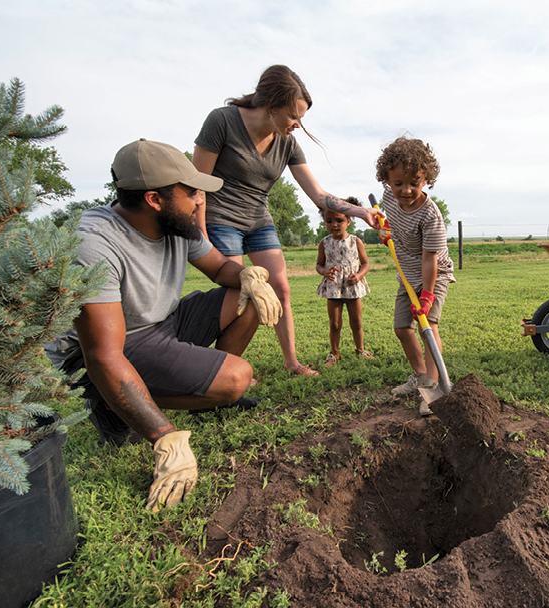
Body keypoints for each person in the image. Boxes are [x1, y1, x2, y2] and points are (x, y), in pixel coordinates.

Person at [50, 138, 282, 512]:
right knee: (237, 378)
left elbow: (221, 269)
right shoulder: (92, 245)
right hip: (107, 347)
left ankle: (207, 393)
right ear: (155, 199)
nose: (200, 200)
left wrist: (249, 275)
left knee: (252, 297)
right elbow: (102, 354)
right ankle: (109, 403)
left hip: (159, 322)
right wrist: (165, 438)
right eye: (191, 192)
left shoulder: (179, 224)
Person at [192, 64, 383, 378]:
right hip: (221, 218)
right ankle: (219, 368)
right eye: (294, 116)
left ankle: (292, 363)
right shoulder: (222, 121)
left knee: (280, 286)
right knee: (240, 290)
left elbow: (319, 195)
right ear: (271, 105)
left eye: (301, 118)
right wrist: (200, 235)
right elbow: (197, 183)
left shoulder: (287, 143)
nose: (297, 124)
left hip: (258, 220)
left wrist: (361, 212)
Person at [374, 137, 455, 415]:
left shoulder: (431, 216)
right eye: (398, 183)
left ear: (427, 179)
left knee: (428, 325)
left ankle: (434, 385)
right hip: (407, 274)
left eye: (414, 183)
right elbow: (390, 220)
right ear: (387, 179)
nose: (405, 190)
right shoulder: (388, 197)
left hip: (433, 274)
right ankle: (420, 375)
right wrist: (385, 229)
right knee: (401, 328)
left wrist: (428, 295)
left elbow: (429, 258)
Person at [315, 196, 373, 366]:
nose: (334, 224)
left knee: (356, 322)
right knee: (334, 324)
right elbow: (318, 265)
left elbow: (366, 263)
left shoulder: (355, 241)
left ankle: (360, 349)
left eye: (339, 220)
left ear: (348, 221)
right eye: (329, 221)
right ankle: (334, 353)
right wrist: (324, 271)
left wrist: (360, 275)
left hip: (353, 287)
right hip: (333, 288)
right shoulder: (324, 243)